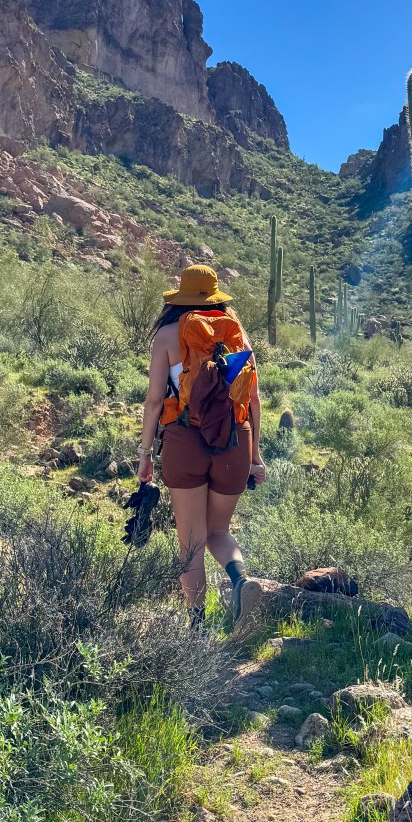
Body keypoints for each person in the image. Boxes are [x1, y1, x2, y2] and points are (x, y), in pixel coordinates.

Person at [138, 264, 265, 617]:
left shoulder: (166, 335)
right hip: (234, 441)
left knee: (191, 542)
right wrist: (255, 457)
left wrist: (145, 453)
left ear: (179, 298)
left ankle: (196, 628)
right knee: (218, 532)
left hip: (185, 440)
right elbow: (253, 399)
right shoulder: (237, 332)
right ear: (215, 296)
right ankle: (241, 584)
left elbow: (152, 401)